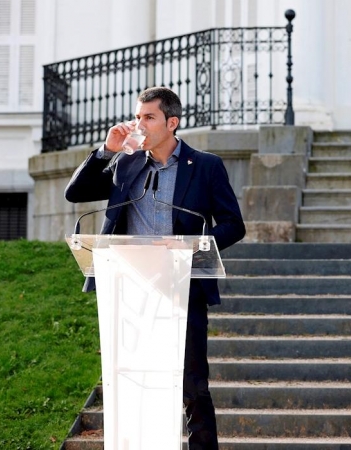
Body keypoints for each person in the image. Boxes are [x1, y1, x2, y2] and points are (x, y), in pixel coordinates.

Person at [65, 86, 246, 449]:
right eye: (137, 116)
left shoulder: (206, 166)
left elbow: (233, 224)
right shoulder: (126, 162)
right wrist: (106, 151)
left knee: (192, 387)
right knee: (135, 384)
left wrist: (188, 248)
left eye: (149, 117)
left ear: (172, 123)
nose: (139, 124)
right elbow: (75, 192)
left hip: (182, 286)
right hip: (130, 289)